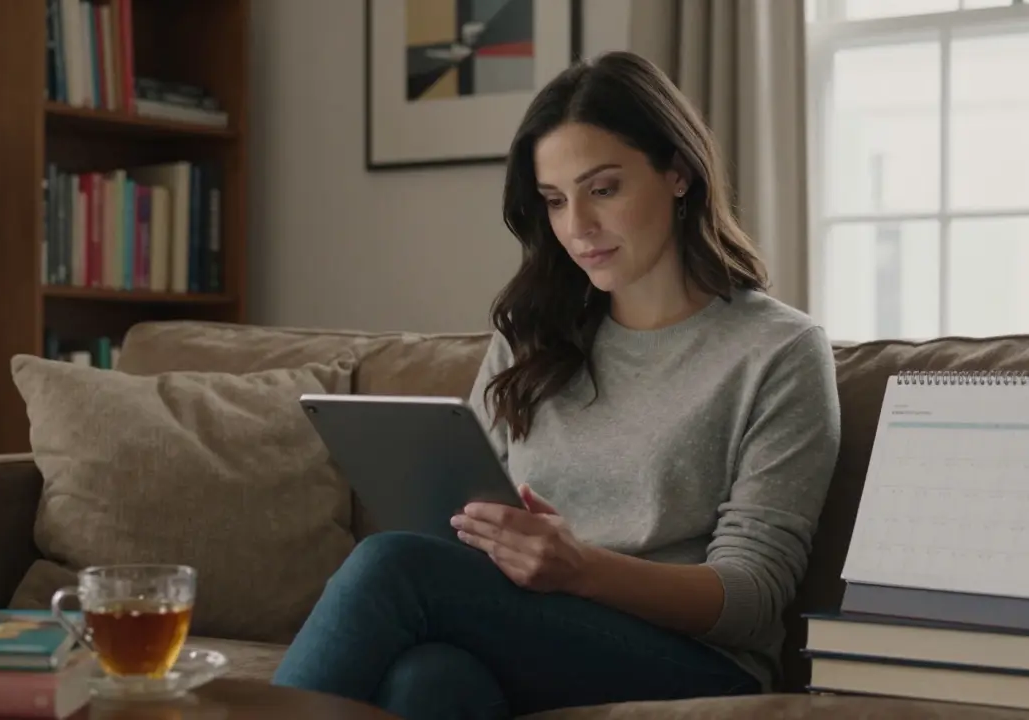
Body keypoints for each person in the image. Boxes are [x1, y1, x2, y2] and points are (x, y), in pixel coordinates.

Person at [272, 50, 841, 719]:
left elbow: (752, 597)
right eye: (554, 201)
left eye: (603, 190)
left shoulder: (779, 351)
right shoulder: (531, 336)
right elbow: (463, 529)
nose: (577, 227)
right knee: (429, 681)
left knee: (391, 565)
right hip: (534, 631)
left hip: (696, 663)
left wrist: (582, 569)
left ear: (678, 173)